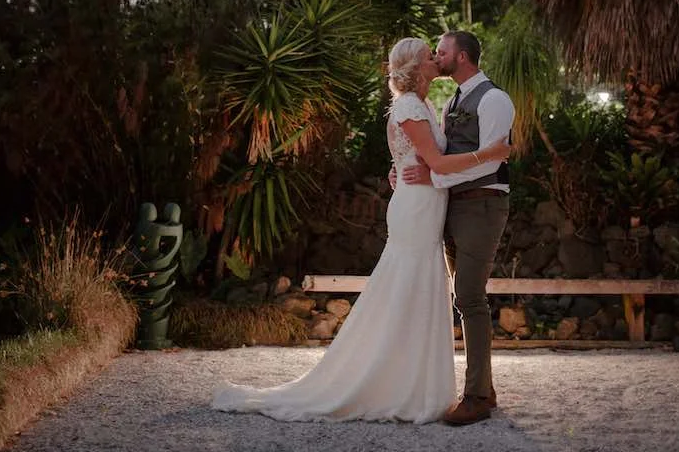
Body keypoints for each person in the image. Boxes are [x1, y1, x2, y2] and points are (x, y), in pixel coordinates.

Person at [210, 37, 510, 423]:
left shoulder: (436, 103)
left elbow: (423, 159)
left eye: (440, 52)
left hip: (435, 206)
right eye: (430, 54)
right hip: (419, 209)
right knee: (408, 287)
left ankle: (425, 384)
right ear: (416, 67)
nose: (436, 58)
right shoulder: (413, 105)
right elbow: (434, 161)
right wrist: (488, 155)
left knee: (421, 289)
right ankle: (395, 383)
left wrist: (410, 169)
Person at [401, 30, 515, 426]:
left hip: (483, 204)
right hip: (454, 206)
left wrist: (434, 178)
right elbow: (444, 153)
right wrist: (405, 170)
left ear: (462, 56)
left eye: (442, 51)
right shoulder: (452, 100)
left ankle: (477, 396)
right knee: (463, 298)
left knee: (469, 296)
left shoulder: (494, 99)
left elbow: (491, 161)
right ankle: (485, 388)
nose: (437, 56)